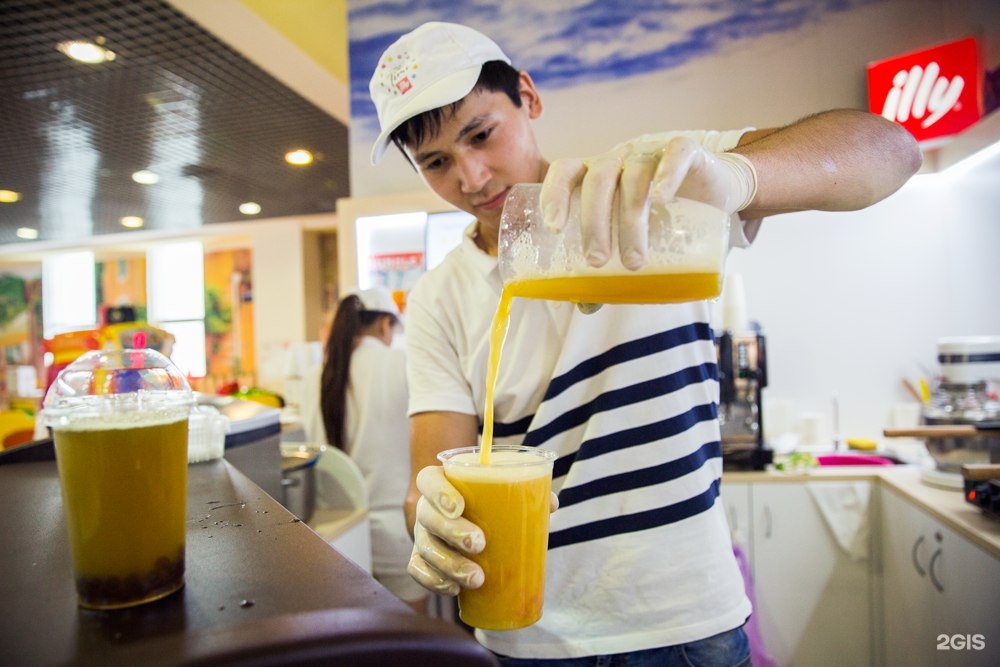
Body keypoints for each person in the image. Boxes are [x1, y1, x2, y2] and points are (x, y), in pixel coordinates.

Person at [367, 21, 921, 664]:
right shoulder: (440, 294)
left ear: (528, 95)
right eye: (436, 162)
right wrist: (432, 523)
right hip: (526, 634)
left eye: (481, 134)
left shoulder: (651, 188)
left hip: (682, 622)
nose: (471, 176)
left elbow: (889, 150)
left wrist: (736, 179)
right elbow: (429, 481)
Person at [317, 287, 429, 613]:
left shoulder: (320, 377)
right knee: (409, 639)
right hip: (398, 530)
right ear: (384, 325)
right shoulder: (402, 363)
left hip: (341, 535)